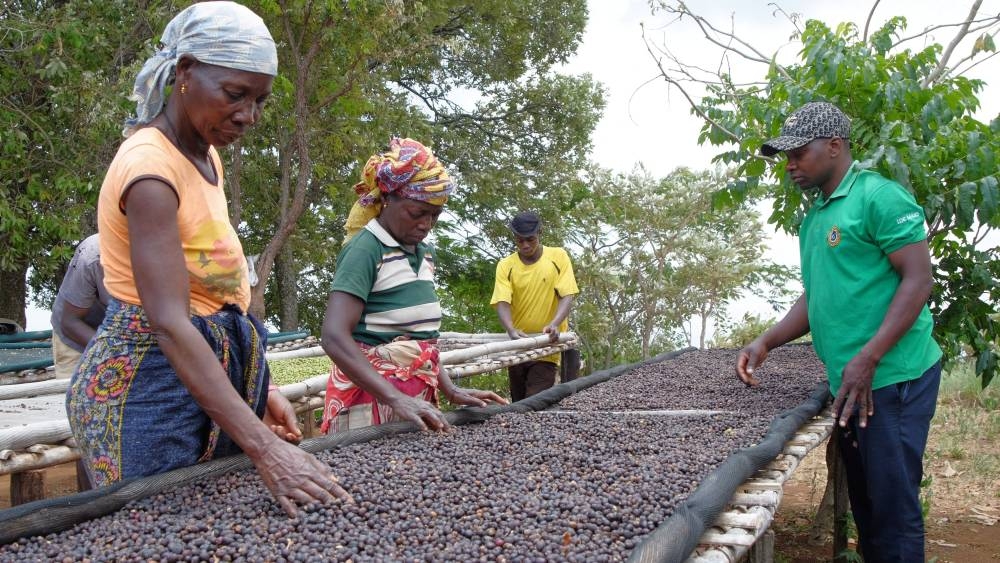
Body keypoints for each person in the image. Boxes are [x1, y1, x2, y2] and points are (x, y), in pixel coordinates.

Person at [66, 1, 350, 517]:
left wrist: (258, 388)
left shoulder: (204, 153)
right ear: (184, 73)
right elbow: (171, 323)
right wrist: (265, 448)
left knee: (214, 522)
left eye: (259, 101)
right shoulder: (150, 169)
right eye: (235, 95)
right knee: (158, 530)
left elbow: (217, 292)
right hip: (146, 392)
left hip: (196, 376)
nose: (248, 116)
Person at [735, 101, 942, 562]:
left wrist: (869, 357)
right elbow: (816, 297)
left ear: (834, 146)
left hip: (894, 378)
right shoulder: (815, 219)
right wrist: (765, 340)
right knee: (868, 508)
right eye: (785, 157)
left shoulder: (878, 197)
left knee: (892, 508)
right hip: (850, 382)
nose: (789, 165)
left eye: (798, 154)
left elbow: (918, 279)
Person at [319, 138, 507, 434]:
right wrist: (395, 398)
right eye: (417, 212)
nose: (426, 224)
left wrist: (451, 390)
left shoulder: (425, 254)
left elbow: (423, 341)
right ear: (388, 199)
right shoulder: (366, 249)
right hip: (369, 404)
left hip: (413, 402)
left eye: (434, 215)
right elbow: (333, 336)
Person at [490, 211, 579, 401]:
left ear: (540, 233)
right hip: (519, 346)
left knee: (534, 401)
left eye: (530, 239)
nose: (525, 245)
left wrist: (554, 324)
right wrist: (511, 330)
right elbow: (502, 301)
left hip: (546, 346)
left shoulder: (558, 256)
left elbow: (567, 295)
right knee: (519, 404)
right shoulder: (506, 265)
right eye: (520, 241)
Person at [50, 234, 111, 379]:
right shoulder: (92, 254)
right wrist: (115, 352)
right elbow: (70, 322)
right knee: (72, 394)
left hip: (122, 338)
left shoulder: (167, 251)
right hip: (75, 337)